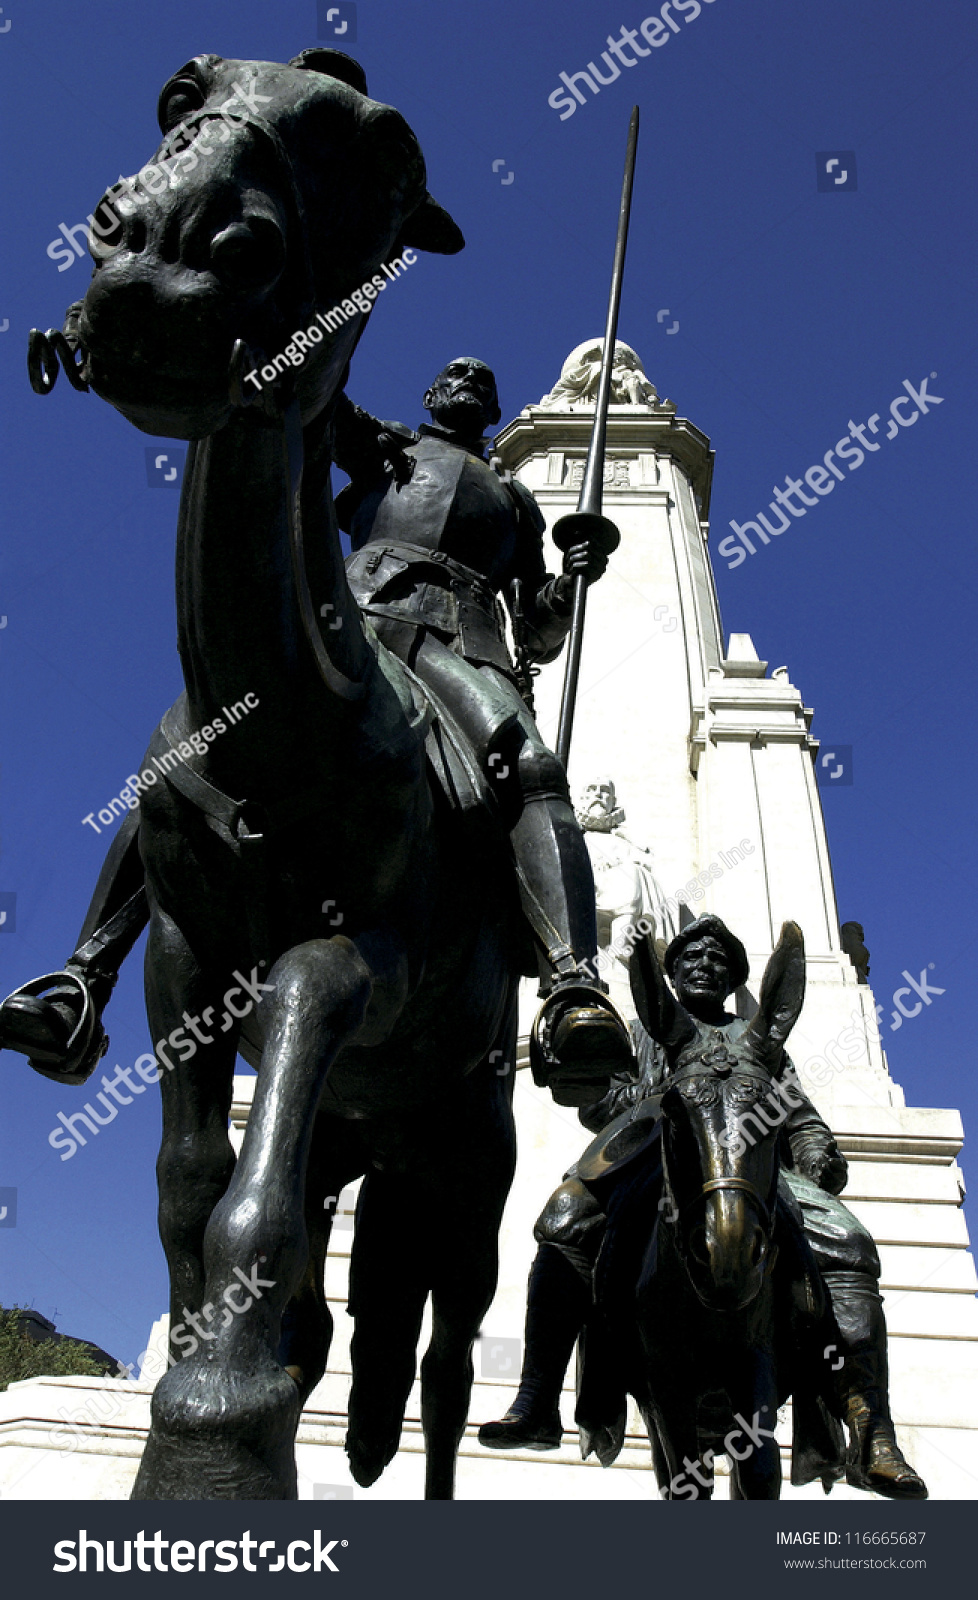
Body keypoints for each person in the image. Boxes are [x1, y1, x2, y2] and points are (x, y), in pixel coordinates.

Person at [0, 357, 633, 1103]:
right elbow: (309, 397)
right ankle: (81, 981)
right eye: (454, 374)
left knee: (530, 769)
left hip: (459, 642)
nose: (468, 379)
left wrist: (567, 581)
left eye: (482, 382)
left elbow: (537, 630)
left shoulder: (519, 505)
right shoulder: (389, 444)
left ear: (491, 411)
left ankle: (570, 987)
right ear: (430, 396)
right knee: (191, 757)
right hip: (350, 619)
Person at [479, 914, 927, 1501]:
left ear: (734, 977)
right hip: (649, 1153)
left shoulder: (757, 1040)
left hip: (744, 1169)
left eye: (719, 960)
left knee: (848, 1243)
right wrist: (617, 1090)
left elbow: (799, 1115)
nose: (705, 965)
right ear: (672, 971)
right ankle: (537, 1398)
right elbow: (604, 1100)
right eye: (692, 957)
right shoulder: (644, 1033)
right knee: (563, 1220)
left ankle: (872, 1429)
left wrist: (817, 1152)